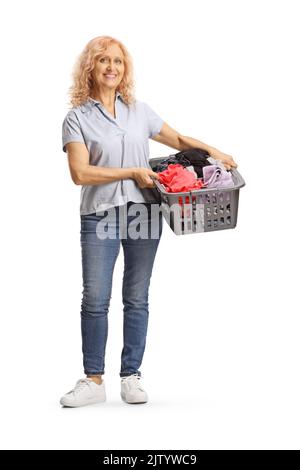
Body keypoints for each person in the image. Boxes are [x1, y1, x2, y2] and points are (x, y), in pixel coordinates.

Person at [60, 35, 238, 408]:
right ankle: (93, 379)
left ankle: (131, 376)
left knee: (136, 298)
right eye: (104, 60)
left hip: (145, 211)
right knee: (95, 299)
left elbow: (177, 139)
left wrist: (216, 151)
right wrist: (131, 173)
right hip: (101, 215)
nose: (111, 67)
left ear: (125, 70)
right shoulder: (76, 118)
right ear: (90, 67)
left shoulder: (139, 111)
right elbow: (80, 172)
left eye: (118, 62)